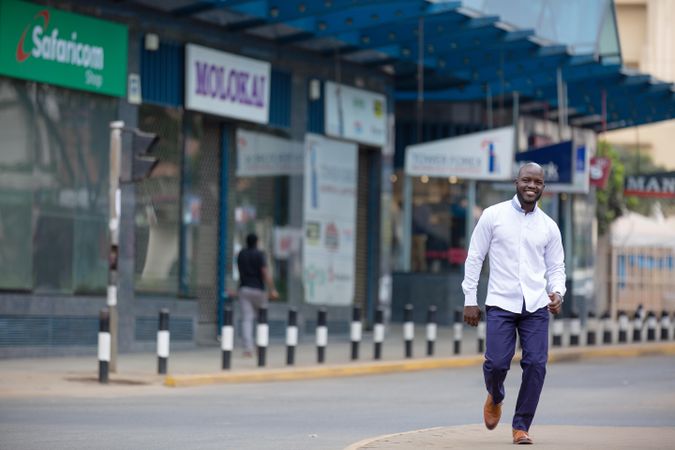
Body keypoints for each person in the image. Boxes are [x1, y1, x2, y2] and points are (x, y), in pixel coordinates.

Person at [461, 162, 565, 445]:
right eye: (527, 180)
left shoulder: (549, 227)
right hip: (500, 303)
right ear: (516, 182)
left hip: (535, 306)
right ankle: (495, 396)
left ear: (543, 187)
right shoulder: (493, 216)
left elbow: (556, 267)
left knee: (536, 365)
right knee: (496, 363)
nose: (532, 186)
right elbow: (474, 258)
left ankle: (521, 426)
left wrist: (557, 292)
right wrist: (470, 300)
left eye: (538, 183)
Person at [237, 233, 279, 357]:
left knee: (247, 319)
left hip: (244, 289)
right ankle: (261, 345)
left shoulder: (241, 254)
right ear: (257, 242)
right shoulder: (260, 254)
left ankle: (248, 348)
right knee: (262, 318)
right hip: (258, 290)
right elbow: (265, 272)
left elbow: (240, 271)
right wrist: (272, 289)